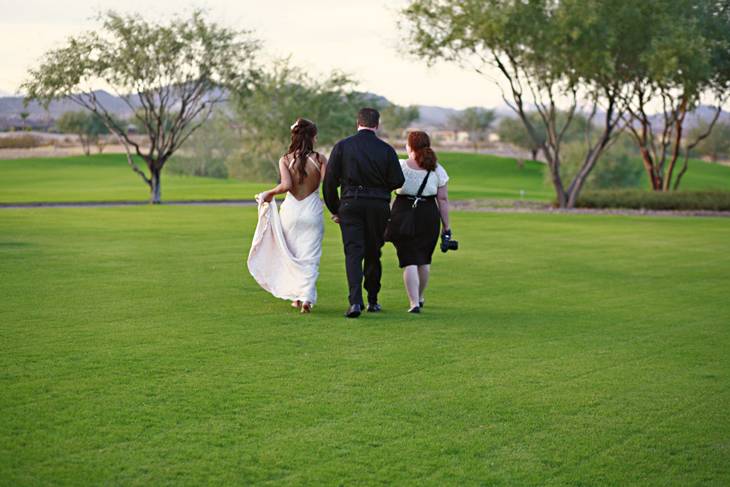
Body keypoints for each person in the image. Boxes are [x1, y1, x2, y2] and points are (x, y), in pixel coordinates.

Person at [323, 108, 405, 318]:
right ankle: (373, 300)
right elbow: (398, 181)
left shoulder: (342, 146)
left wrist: (336, 208)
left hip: (351, 204)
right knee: (373, 252)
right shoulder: (386, 150)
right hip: (378, 205)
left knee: (353, 253)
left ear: (357, 123)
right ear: (377, 125)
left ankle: (355, 303)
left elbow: (329, 182)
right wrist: (380, 189)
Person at [247, 118, 327, 313]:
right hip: (312, 210)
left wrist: (269, 193)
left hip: (291, 211)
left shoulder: (285, 159)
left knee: (291, 254)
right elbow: (330, 184)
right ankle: (306, 297)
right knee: (310, 256)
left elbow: (286, 186)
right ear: (313, 138)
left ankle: (296, 297)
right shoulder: (320, 159)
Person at [390, 131, 450, 313]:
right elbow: (443, 200)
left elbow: (388, 189)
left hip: (403, 213)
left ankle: (413, 302)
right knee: (424, 260)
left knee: (409, 260)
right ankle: (420, 297)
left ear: (410, 146)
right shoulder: (437, 168)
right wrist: (447, 227)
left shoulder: (400, 165)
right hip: (428, 215)